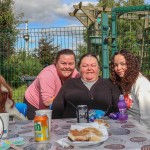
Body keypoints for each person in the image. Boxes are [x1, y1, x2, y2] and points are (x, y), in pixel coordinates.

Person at [52, 53, 121, 119]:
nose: (89, 68)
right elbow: (57, 108)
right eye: (85, 66)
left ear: (98, 68)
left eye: (93, 65)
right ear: (79, 69)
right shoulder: (69, 83)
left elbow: (119, 109)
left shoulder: (110, 84)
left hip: (104, 127)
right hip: (74, 128)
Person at [24, 49, 80, 120]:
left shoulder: (76, 74)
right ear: (56, 63)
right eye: (63, 63)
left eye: (71, 63)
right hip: (34, 104)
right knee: (41, 128)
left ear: (75, 64)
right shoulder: (48, 74)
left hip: (55, 105)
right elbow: (47, 102)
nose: (67, 67)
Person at [110, 49, 150, 130]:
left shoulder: (141, 84)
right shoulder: (126, 81)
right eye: (115, 65)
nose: (118, 68)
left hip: (141, 131)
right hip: (130, 126)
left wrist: (142, 136)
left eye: (122, 64)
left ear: (131, 65)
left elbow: (147, 118)